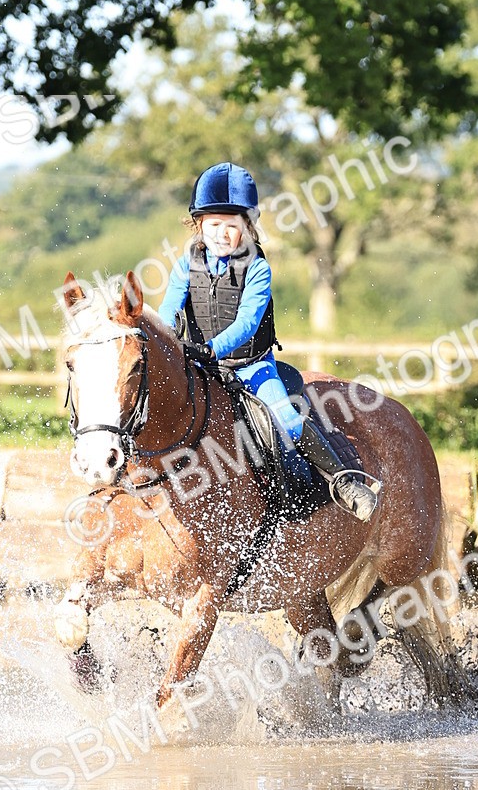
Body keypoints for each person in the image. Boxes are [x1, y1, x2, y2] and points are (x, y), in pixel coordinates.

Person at [159, 161, 379, 522]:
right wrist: (167, 341)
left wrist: (213, 348)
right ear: (199, 225)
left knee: (287, 420)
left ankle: (345, 483)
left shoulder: (258, 268)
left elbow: (247, 322)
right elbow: (168, 310)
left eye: (232, 226)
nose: (221, 234)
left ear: (248, 227)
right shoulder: (186, 265)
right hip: (199, 365)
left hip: (251, 366)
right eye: (213, 225)